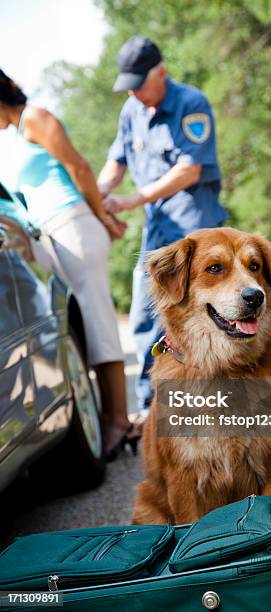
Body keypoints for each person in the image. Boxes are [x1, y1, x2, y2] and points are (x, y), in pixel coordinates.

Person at [0, 69, 138, 461]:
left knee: (97, 324)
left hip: (76, 224)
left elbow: (78, 167)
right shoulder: (11, 138)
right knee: (84, 329)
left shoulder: (37, 118)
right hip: (53, 233)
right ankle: (111, 417)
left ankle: (119, 421)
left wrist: (105, 219)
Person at [98, 36, 227, 413]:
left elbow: (189, 169)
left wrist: (134, 199)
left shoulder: (191, 104)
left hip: (196, 233)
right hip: (156, 233)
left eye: (140, 84)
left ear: (161, 73)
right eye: (129, 86)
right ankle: (152, 409)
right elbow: (116, 162)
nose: (135, 94)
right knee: (146, 317)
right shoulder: (131, 111)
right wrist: (100, 193)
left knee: (207, 321)